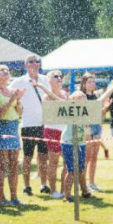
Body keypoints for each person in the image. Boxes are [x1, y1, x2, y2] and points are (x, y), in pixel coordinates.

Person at [10, 54, 49, 196]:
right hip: (28, 124)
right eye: (31, 62)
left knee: (44, 156)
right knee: (27, 157)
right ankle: (27, 186)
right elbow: (8, 94)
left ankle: (44, 185)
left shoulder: (46, 80)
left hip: (44, 124)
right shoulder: (19, 81)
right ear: (26, 65)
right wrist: (16, 100)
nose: (34, 64)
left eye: (37, 61)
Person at [0, 65, 24, 205]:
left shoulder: (12, 91)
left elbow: (19, 113)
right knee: (1, 164)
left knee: (14, 164)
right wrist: (12, 100)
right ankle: (2, 197)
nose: (5, 72)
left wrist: (19, 100)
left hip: (13, 126)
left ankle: (14, 197)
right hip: (2, 126)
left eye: (7, 70)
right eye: (1, 70)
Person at [38, 70, 69, 198]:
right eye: (55, 76)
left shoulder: (65, 94)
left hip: (64, 131)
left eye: (60, 76)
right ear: (49, 81)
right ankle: (54, 191)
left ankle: (63, 190)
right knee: (54, 162)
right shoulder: (46, 97)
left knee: (68, 162)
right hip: (52, 131)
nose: (59, 78)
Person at [80, 73, 104, 192]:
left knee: (94, 156)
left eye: (93, 81)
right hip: (86, 128)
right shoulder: (81, 96)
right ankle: (83, 184)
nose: (92, 83)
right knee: (86, 157)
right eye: (89, 81)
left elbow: (98, 113)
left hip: (97, 127)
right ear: (84, 84)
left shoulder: (96, 96)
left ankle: (92, 183)